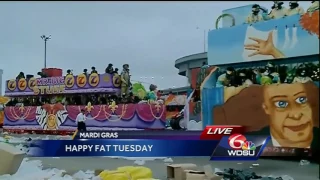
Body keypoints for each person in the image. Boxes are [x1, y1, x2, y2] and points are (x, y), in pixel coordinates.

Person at [248, 83, 318, 149]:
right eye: (281, 104)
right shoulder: (247, 143)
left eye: (302, 99)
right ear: (266, 108)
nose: (296, 115)